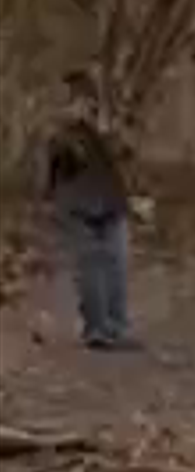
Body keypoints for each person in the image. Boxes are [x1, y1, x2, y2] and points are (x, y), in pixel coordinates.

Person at [41, 107, 136, 351]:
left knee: (116, 265)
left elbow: (125, 153)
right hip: (78, 205)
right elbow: (62, 160)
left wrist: (109, 132)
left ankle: (115, 326)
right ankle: (97, 328)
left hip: (110, 200)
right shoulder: (60, 134)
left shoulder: (106, 127)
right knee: (90, 266)